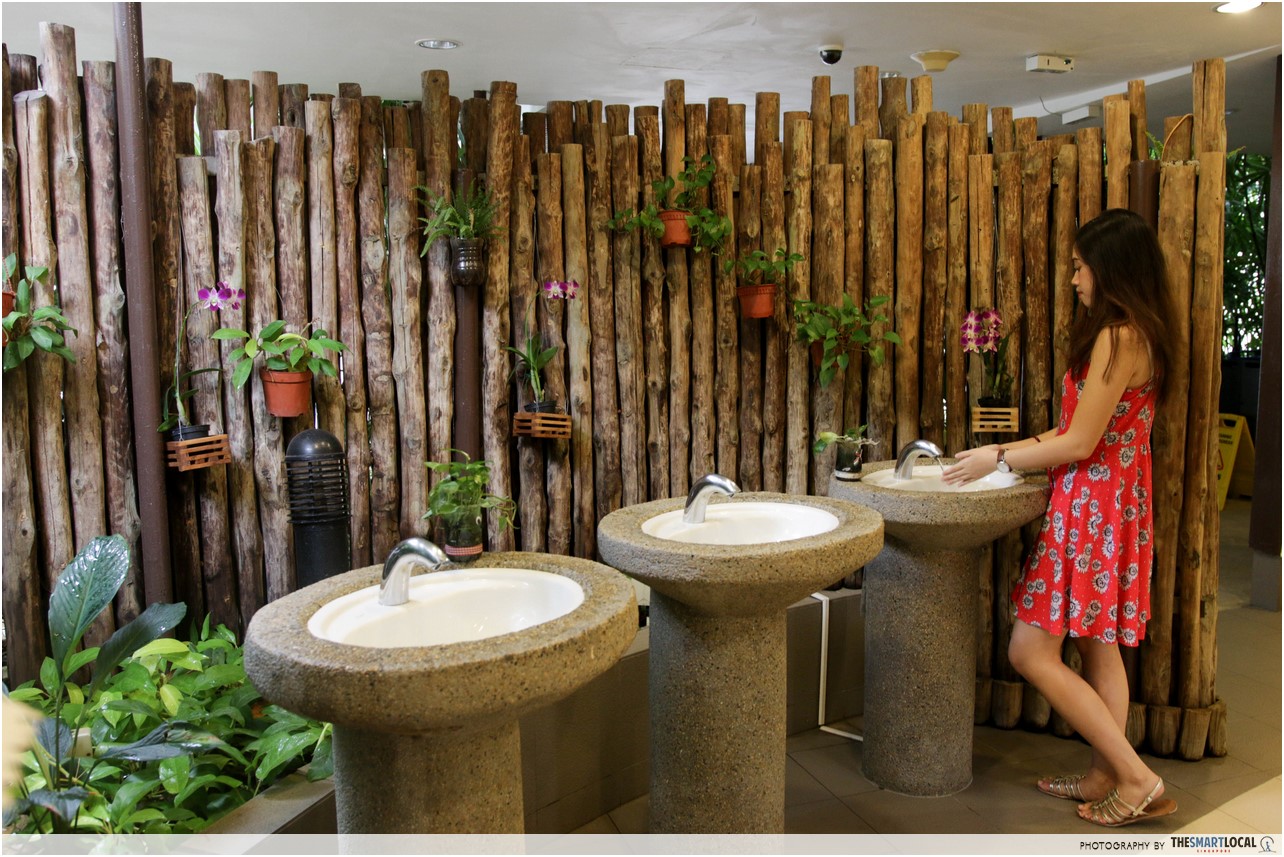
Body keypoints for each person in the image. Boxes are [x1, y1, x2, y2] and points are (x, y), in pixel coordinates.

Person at [943, 208, 1178, 827]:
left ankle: (1136, 778)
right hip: (1117, 506)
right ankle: (1106, 774)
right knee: (1101, 649)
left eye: (1080, 267)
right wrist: (1004, 451)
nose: (1074, 279)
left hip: (1092, 510)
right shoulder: (1143, 332)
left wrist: (998, 456)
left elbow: (1077, 444)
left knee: (1029, 650)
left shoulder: (1117, 337)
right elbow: (1075, 429)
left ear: (1111, 268)